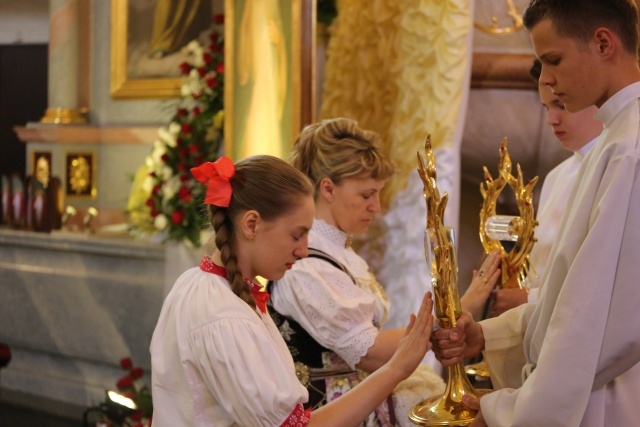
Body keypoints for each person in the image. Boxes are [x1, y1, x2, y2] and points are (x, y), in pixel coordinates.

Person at [431, 0, 640, 425]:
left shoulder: (628, 151)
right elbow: (572, 297)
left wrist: (509, 411)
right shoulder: (610, 144)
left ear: (603, 43)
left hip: (604, 401)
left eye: (554, 60)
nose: (546, 80)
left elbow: (604, 324)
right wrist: (490, 334)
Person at [150, 154, 436, 427]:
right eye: (296, 234)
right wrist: (396, 369)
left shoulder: (197, 283)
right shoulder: (225, 316)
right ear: (251, 224)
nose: (302, 250)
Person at [268, 118, 501, 425]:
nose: (376, 207)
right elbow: (371, 353)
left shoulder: (337, 252)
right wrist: (456, 311)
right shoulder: (306, 266)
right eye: (367, 195)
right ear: (328, 188)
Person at [460, 58, 603, 319]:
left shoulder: (616, 168)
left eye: (561, 105)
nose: (551, 119)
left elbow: (602, 273)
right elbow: (543, 263)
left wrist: (530, 299)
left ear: (598, 98)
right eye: (546, 107)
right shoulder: (557, 176)